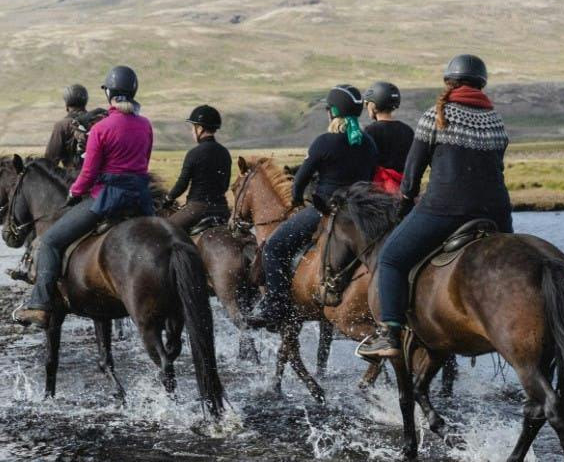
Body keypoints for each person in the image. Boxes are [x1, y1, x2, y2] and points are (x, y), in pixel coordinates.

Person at [358, 54, 513, 358]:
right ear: (482, 83)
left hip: (444, 209)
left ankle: (389, 332)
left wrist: (404, 205)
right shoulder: (497, 121)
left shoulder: (435, 115)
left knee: (391, 258)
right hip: (496, 213)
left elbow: (413, 173)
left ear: (448, 81)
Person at [15, 66, 155, 326]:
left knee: (50, 242)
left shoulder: (102, 129)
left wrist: (75, 191)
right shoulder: (145, 125)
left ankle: (41, 304)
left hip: (106, 200)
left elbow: (89, 172)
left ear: (109, 93)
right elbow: (143, 164)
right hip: (142, 201)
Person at [244, 85, 378, 330]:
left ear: (332, 112)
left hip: (325, 211)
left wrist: (296, 200)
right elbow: (369, 178)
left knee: (273, 247)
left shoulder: (324, 141)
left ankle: (275, 304)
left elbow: (300, 180)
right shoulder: (368, 143)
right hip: (360, 214)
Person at [166, 105, 232, 232]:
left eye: (193, 128)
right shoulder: (225, 152)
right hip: (222, 210)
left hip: (197, 209)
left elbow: (182, 184)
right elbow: (225, 185)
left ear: (200, 128)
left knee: (162, 232)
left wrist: (168, 198)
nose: (192, 132)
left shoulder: (194, 153)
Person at [364, 81, 414, 194]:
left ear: (373, 106)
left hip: (378, 189)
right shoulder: (407, 130)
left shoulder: (370, 131)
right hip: (402, 188)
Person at [44, 84, 104, 173]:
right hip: (100, 177)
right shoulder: (98, 121)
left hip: (73, 180)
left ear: (66, 103)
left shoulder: (62, 125)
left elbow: (49, 162)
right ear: (85, 102)